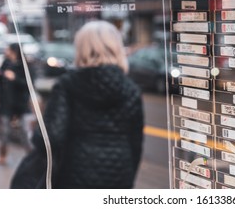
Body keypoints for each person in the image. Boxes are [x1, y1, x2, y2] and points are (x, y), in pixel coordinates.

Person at [11, 21, 144, 189]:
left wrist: (36, 132)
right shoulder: (130, 89)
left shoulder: (68, 85)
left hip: (75, 171)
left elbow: (50, 137)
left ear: (81, 48)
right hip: (119, 173)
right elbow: (136, 143)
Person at [0, 43, 32, 165]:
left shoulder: (25, 66)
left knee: (25, 131)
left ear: (14, 51)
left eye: (8, 49)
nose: (5, 51)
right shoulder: (5, 63)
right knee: (4, 131)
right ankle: (2, 154)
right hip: (6, 103)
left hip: (21, 103)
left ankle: (31, 157)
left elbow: (29, 84)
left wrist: (14, 78)